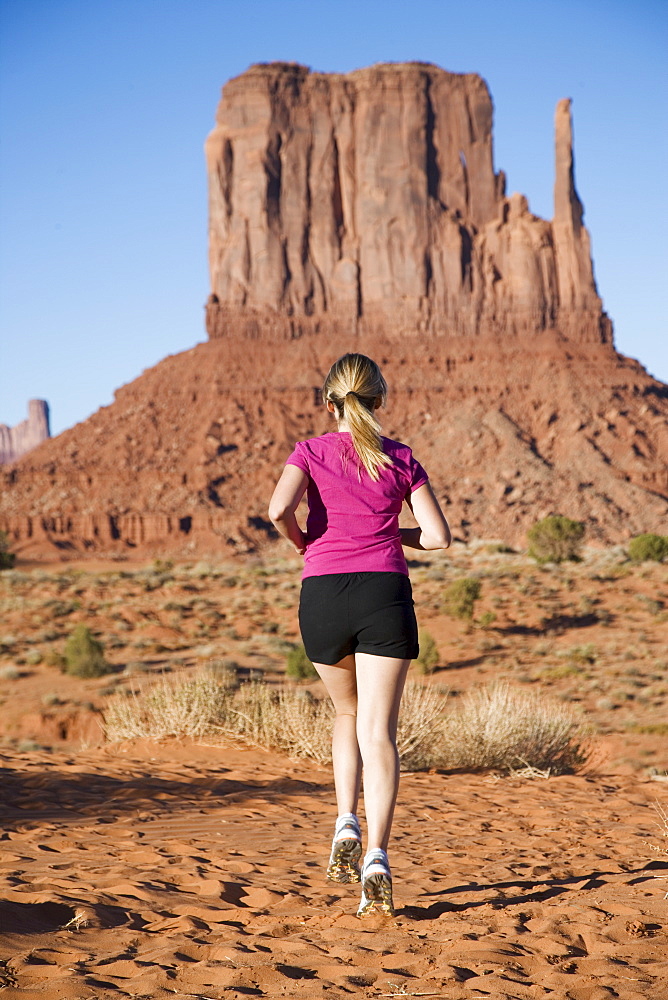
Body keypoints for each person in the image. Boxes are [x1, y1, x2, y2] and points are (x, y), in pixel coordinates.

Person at [268, 353, 451, 917]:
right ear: (380, 400)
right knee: (380, 732)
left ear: (330, 402)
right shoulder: (401, 458)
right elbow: (440, 538)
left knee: (345, 716)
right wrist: (392, 535)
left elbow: (277, 508)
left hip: (322, 594)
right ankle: (376, 856)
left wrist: (305, 542)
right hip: (384, 595)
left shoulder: (310, 451)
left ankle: (345, 817)